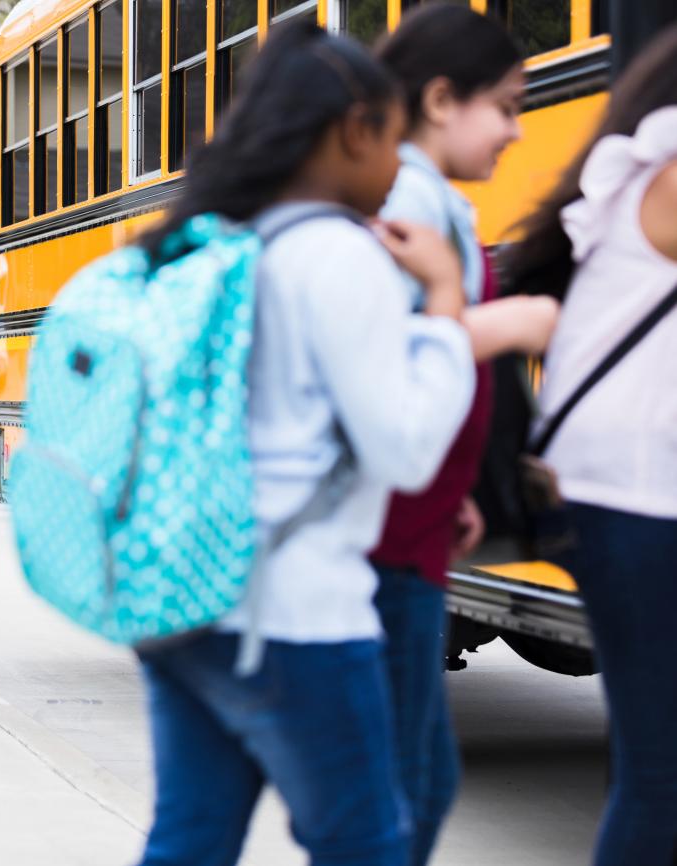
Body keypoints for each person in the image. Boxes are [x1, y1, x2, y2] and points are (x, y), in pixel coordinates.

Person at [132, 22, 475, 866]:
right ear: (354, 130)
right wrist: (444, 303)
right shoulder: (335, 252)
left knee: (190, 838)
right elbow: (402, 450)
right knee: (366, 844)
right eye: (393, 140)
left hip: (181, 593)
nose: (399, 169)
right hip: (296, 611)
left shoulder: (203, 239)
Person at [369, 7, 558, 862]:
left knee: (413, 775)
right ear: (442, 98)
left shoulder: (428, 194)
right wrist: (512, 322)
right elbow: (390, 352)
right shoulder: (408, 199)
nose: (519, 131)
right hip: (387, 528)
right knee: (405, 782)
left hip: (421, 514)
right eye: (507, 107)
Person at [505, 26, 677, 866]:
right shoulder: (670, 169)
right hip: (640, 504)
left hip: (621, 496)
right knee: (661, 775)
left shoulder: (637, 165)